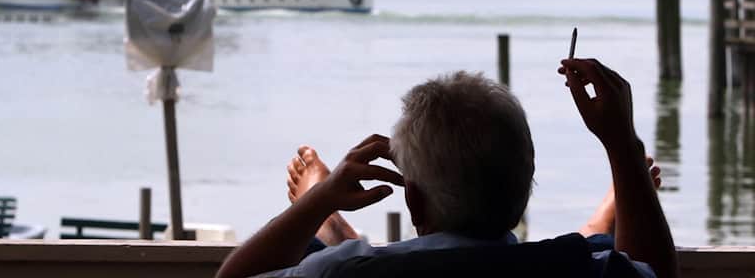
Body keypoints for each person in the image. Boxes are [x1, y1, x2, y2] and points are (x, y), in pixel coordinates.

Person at [215, 59, 678, 278]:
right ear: (524, 187)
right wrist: (621, 146)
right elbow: (653, 272)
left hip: (372, 261)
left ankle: (332, 224)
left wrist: (320, 199)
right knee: (593, 245)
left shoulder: (342, 274)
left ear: (413, 200)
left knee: (320, 250)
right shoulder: (581, 272)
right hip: (538, 261)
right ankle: (601, 220)